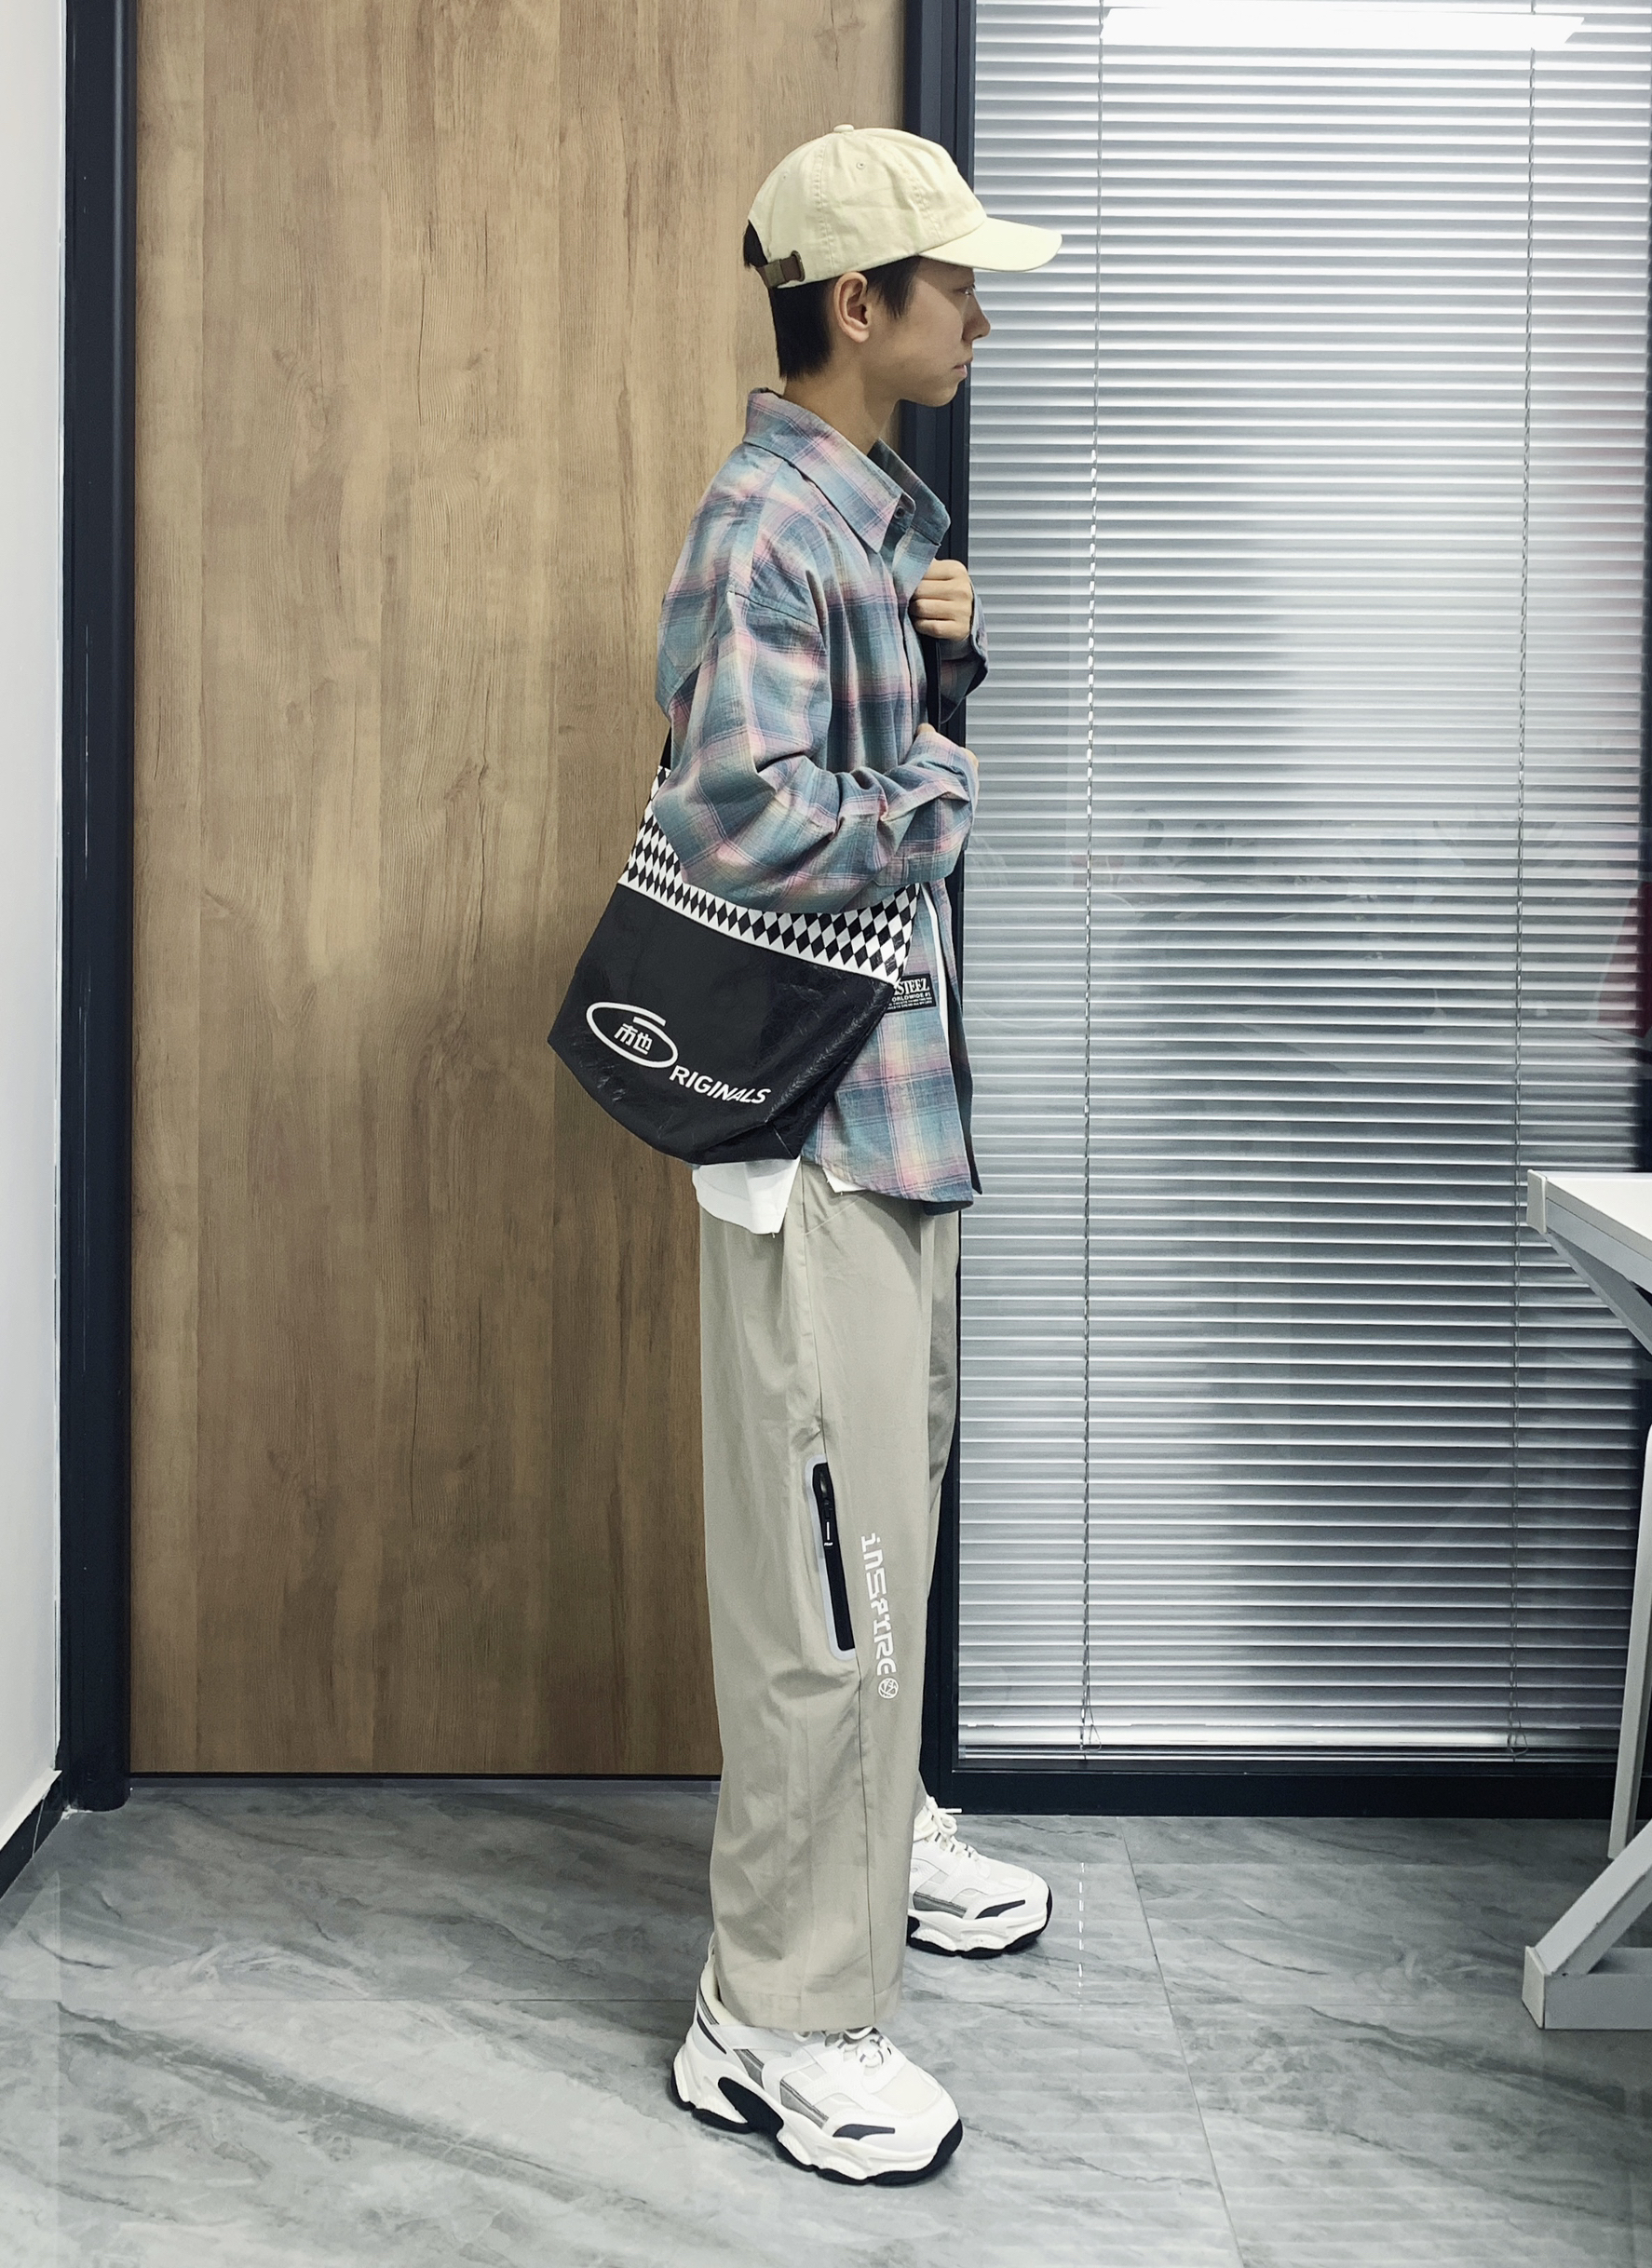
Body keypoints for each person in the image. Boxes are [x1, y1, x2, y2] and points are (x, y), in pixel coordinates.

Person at [657, 124, 1062, 2185]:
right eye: (952, 283)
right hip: (816, 1139)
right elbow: (737, 819)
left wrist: (934, 673)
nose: (978, 313)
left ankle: (870, 1841)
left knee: (874, 1543)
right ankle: (773, 2018)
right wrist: (942, 764)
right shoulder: (767, 530)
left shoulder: (865, 517)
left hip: (888, 1124)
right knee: (827, 1590)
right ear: (854, 304)